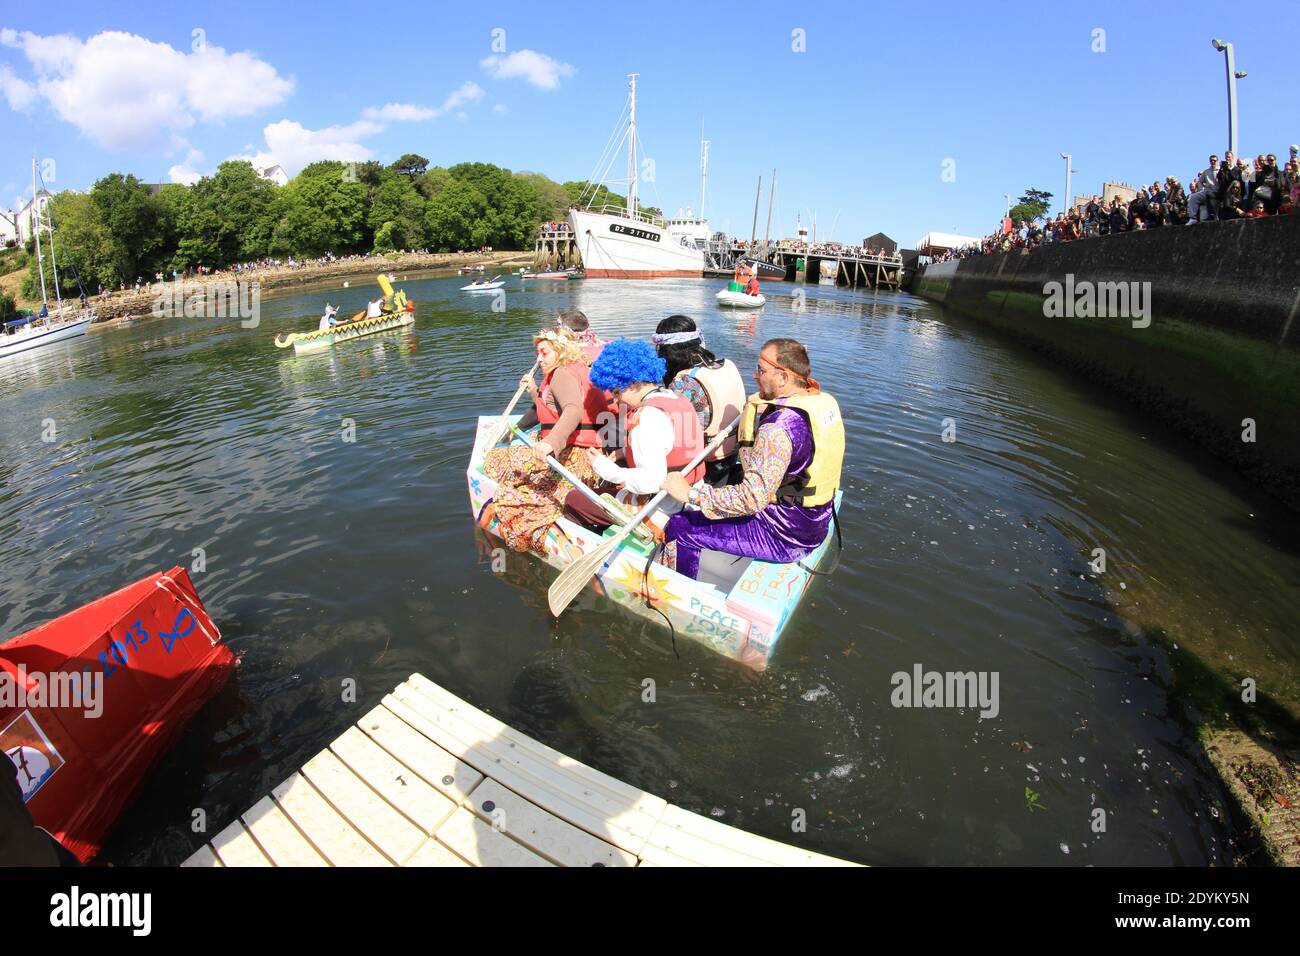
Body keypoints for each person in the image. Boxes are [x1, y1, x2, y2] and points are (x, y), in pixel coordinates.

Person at [659, 338, 844, 580]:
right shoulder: (821, 403)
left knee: (680, 526)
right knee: (733, 478)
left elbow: (751, 499)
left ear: (783, 378)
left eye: (761, 370)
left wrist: (689, 493)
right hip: (813, 521)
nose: (755, 376)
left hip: (785, 535)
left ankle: (678, 589)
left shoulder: (778, 428)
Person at [563, 339, 705, 532]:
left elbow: (650, 482)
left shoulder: (645, 417)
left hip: (660, 508)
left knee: (574, 499)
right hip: (690, 497)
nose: (615, 399)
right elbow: (671, 446)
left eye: (616, 391)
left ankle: (592, 544)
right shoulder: (676, 399)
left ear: (633, 383)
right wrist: (624, 452)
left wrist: (603, 467)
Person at [653, 315, 747, 485]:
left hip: (707, 460)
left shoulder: (684, 382)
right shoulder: (726, 365)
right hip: (732, 451)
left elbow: (672, 432)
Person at [515, 327, 609, 462]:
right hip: (590, 447)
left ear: (561, 352)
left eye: (544, 353)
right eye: (538, 354)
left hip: (581, 452)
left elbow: (573, 410)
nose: (539, 359)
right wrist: (534, 391)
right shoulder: (573, 367)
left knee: (493, 459)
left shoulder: (563, 373)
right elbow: (552, 409)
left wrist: (551, 442)